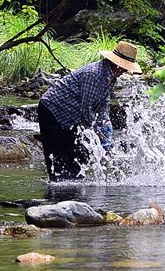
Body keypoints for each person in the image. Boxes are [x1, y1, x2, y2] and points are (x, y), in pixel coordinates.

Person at [37, 40, 142, 180]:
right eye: (124, 67)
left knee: (73, 156)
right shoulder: (94, 74)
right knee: (57, 155)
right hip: (52, 110)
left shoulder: (111, 77)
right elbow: (86, 110)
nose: (125, 71)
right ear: (116, 63)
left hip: (71, 114)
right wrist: (97, 133)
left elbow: (102, 103)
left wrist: (105, 122)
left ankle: (71, 188)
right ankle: (58, 189)